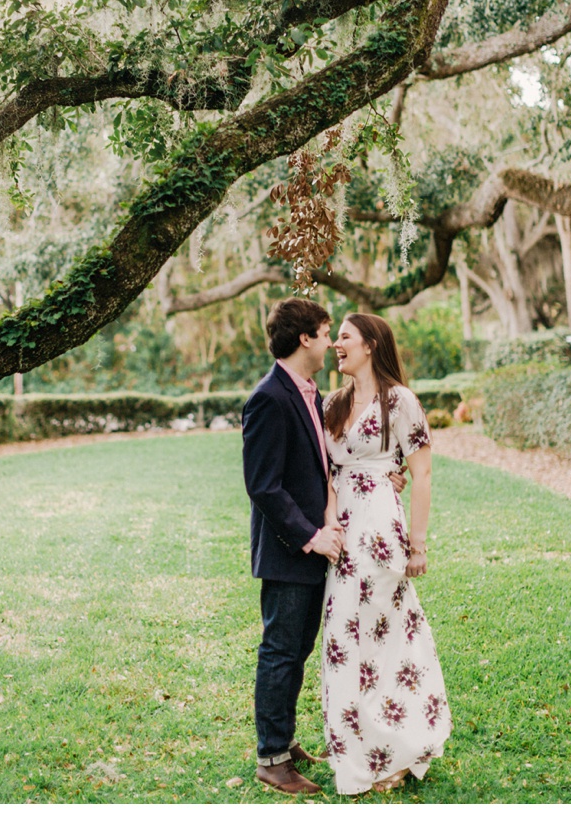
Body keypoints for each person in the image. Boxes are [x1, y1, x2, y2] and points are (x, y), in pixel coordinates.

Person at [321, 313, 451, 796]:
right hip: (341, 537)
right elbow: (325, 470)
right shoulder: (333, 403)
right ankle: (354, 747)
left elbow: (423, 475)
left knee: (385, 641)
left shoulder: (401, 402)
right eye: (335, 338)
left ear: (371, 344)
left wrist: (417, 544)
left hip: (379, 533)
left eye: (345, 337)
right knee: (343, 638)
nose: (337, 344)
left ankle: (397, 746)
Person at [241, 297, 340, 796]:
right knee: (280, 650)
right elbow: (263, 486)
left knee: (297, 648)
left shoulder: (309, 392)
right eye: (325, 332)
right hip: (288, 550)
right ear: (305, 337)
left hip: (311, 546)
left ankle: (284, 740)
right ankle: (271, 759)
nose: (330, 342)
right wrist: (311, 536)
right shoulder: (269, 397)